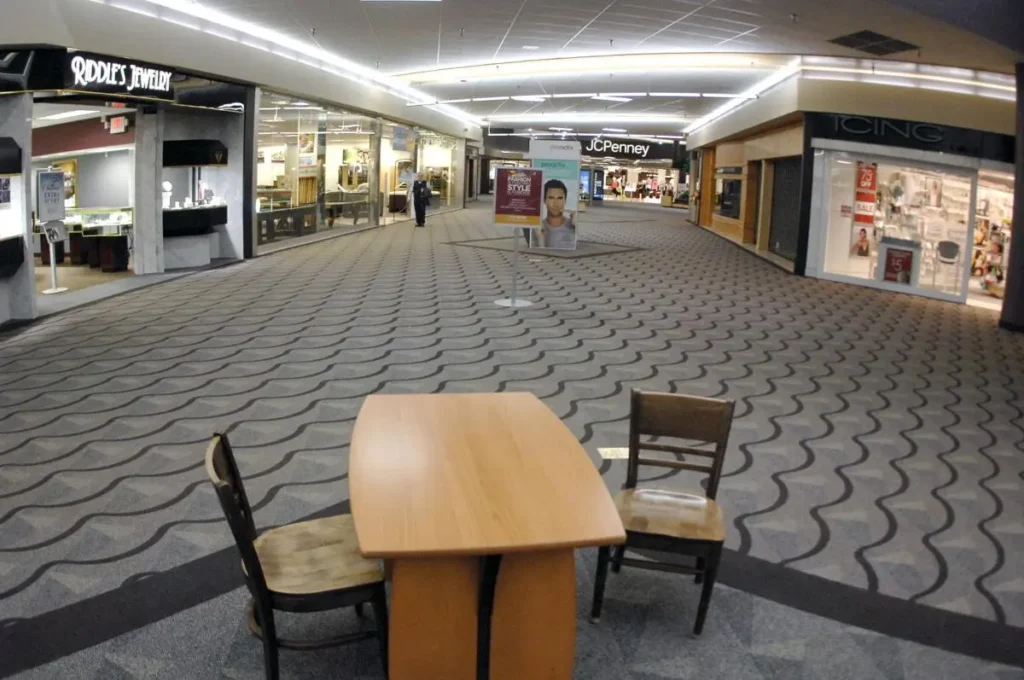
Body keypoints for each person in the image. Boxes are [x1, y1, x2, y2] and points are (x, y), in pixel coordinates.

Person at [533, 179, 576, 249]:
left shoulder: (574, 225)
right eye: (551, 198)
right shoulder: (538, 230)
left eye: (560, 198)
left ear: (565, 200)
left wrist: (576, 227)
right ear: (544, 200)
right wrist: (541, 239)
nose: (556, 204)